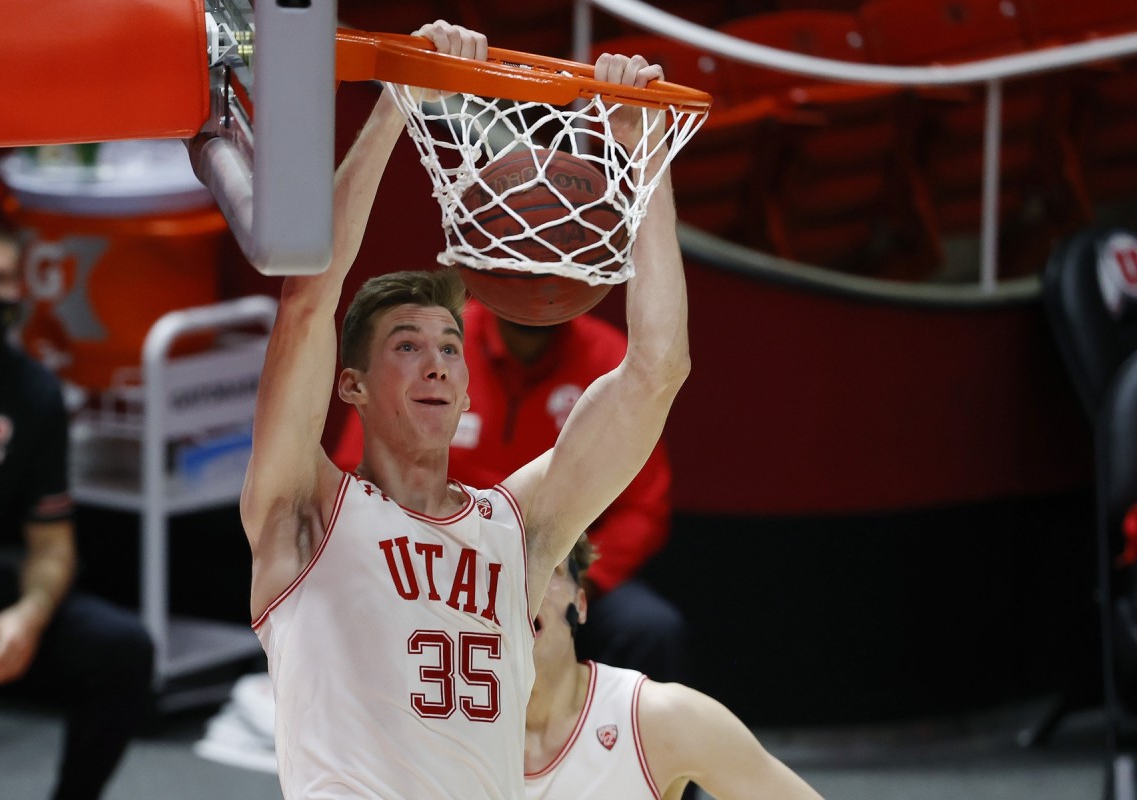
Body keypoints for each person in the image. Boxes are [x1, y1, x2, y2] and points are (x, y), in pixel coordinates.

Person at [241, 19, 691, 800]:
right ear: (351, 385)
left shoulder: (519, 529)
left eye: (450, 346)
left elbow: (658, 369)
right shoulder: (305, 513)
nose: (437, 363)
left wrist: (643, 152)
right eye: (407, 345)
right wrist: (399, 101)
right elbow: (309, 300)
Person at [331, 300, 690, 683]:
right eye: (520, 274)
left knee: (650, 627)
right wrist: (418, 564)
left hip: (561, 564)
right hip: (432, 560)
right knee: (344, 600)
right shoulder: (430, 343)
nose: (536, 291)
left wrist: (574, 580)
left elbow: (643, 508)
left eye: (550, 276)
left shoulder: (610, 357)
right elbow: (359, 476)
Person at [0, 216, 154, 800]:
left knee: (121, 651)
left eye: (0, 281)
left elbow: (53, 545)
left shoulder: (34, 393)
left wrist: (28, 618)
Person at [525, 536, 824, 800]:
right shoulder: (488, 737)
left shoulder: (660, 717)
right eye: (509, 573)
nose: (527, 589)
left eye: (548, 568)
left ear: (581, 603)